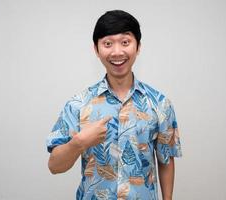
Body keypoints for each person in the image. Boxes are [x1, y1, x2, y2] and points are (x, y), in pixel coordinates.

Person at [46, 10, 182, 200]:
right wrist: (79, 143)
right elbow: (54, 166)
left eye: (125, 42)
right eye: (108, 44)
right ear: (96, 49)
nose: (117, 52)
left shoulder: (160, 104)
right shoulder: (78, 104)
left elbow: (166, 160)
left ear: (138, 46)